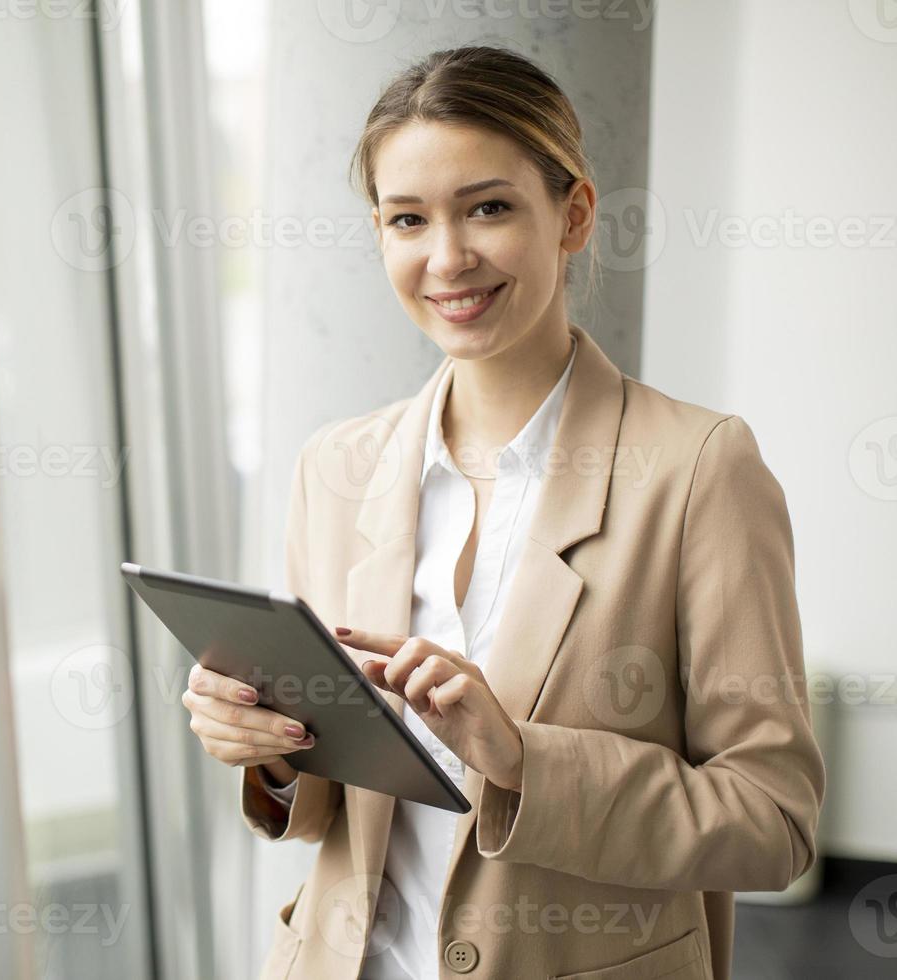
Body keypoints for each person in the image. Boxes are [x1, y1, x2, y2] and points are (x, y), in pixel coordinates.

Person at [181, 46, 824, 980]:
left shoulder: (697, 470)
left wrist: (523, 757)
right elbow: (329, 801)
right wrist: (268, 752)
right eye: (409, 219)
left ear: (573, 215)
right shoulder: (337, 467)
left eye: (488, 207)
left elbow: (773, 821)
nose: (447, 258)